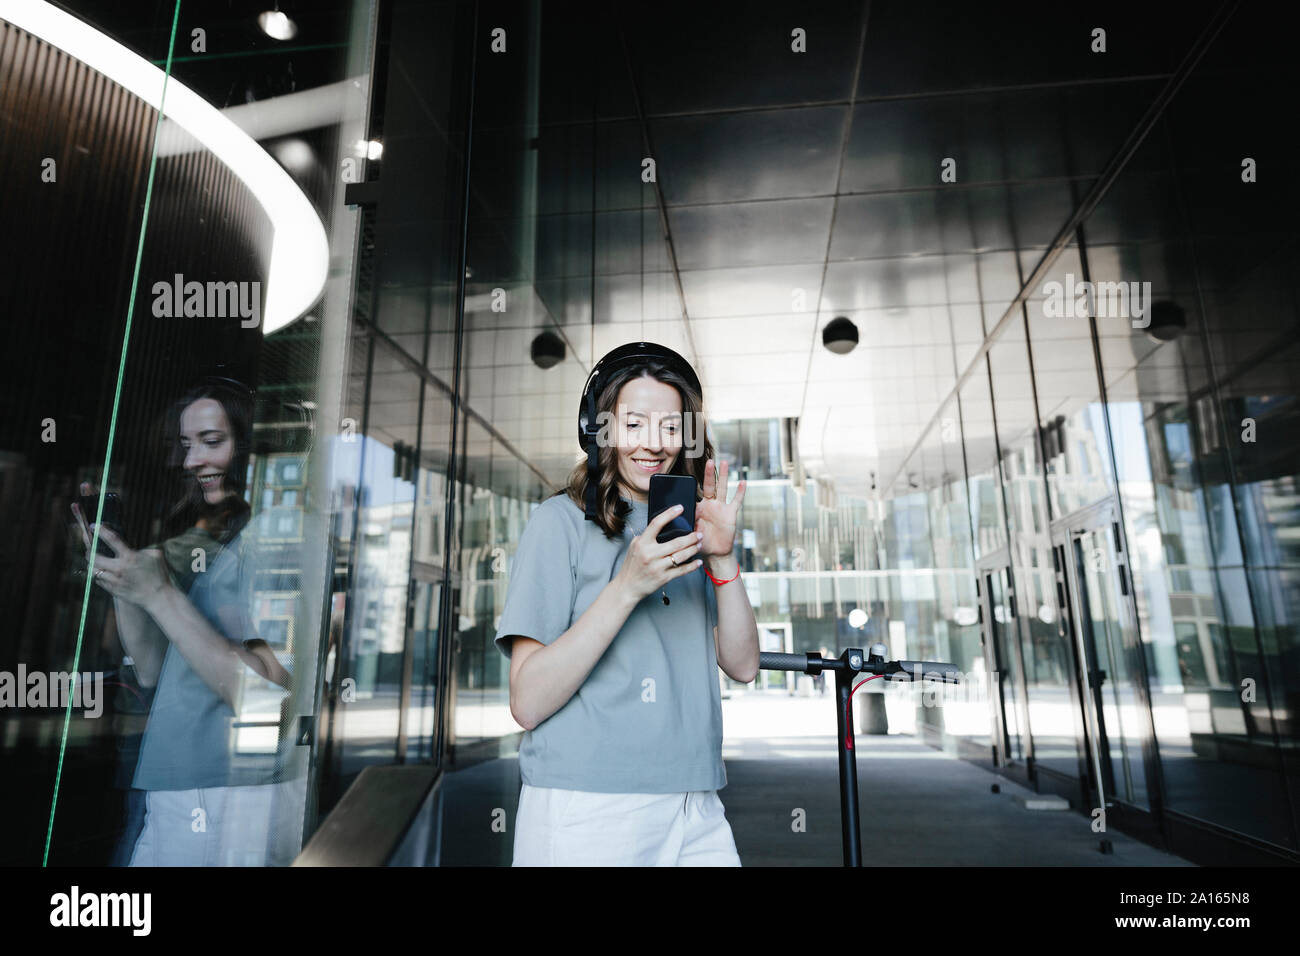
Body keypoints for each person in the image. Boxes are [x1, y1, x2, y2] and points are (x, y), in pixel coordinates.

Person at [494, 343, 760, 866]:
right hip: (587, 805)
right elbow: (527, 702)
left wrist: (723, 560)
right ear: (601, 430)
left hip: (695, 800)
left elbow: (743, 664)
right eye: (633, 424)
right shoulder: (560, 523)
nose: (653, 445)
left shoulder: (689, 526)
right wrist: (628, 585)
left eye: (669, 427)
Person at [72, 378, 302, 866]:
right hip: (175, 781)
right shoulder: (203, 544)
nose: (193, 460)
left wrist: (160, 594)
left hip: (224, 788)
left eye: (212, 442)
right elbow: (155, 670)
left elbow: (268, 701)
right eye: (186, 445)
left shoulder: (277, 541)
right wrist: (124, 580)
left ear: (249, 445)